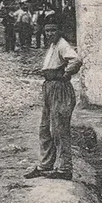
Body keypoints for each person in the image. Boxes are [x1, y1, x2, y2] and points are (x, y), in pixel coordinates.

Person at [24, 19, 83, 180]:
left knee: (59, 129)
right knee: (45, 128)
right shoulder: (52, 45)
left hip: (60, 89)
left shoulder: (62, 44)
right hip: (49, 87)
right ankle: (45, 165)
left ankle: (65, 169)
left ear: (58, 31)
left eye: (53, 30)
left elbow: (76, 59)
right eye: (47, 30)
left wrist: (66, 73)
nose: (50, 33)